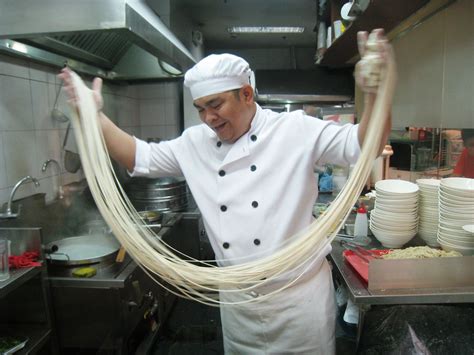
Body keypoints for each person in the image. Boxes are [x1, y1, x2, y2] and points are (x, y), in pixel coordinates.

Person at [59, 28, 395, 354]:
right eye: (200, 108)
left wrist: (378, 94)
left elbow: (366, 144)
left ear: (246, 94)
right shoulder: (194, 143)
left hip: (297, 303)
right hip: (238, 306)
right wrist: (94, 116)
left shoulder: (295, 130)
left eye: (215, 104)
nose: (207, 117)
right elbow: (137, 155)